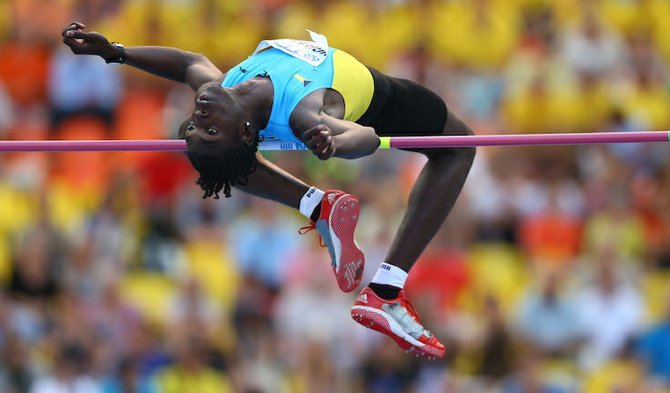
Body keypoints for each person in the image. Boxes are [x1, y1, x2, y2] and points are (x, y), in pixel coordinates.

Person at [61, 22, 475, 358]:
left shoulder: (226, 86)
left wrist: (114, 52)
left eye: (192, 126)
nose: (197, 117)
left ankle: (316, 206)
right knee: (459, 148)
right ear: (245, 131)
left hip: (321, 94)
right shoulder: (302, 113)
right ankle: (385, 291)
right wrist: (334, 144)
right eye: (208, 129)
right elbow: (365, 136)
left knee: (224, 158)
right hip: (381, 101)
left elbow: (188, 62)